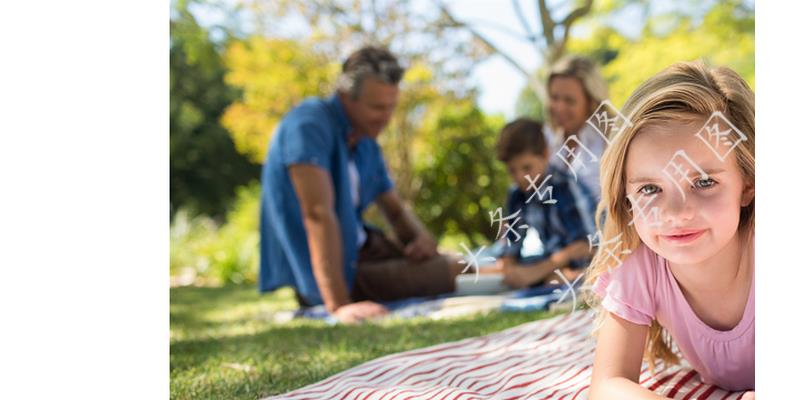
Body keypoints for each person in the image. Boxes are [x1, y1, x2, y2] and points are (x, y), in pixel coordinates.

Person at [585, 61, 755, 398]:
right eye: (650, 189)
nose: (676, 214)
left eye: (704, 182)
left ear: (747, 184)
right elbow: (607, 386)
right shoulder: (640, 265)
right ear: (627, 196)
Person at [259, 46, 462, 324]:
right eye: (377, 107)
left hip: (368, 250)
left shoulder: (366, 143)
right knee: (456, 271)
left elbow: (396, 211)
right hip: (337, 272)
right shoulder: (309, 125)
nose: (386, 117)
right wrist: (339, 305)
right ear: (346, 97)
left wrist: (421, 241)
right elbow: (317, 212)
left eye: (391, 106)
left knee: (454, 264)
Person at [491, 117, 597, 289]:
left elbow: (588, 247)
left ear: (546, 154)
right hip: (553, 263)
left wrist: (536, 271)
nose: (519, 178)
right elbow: (510, 246)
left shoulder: (566, 188)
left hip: (589, 264)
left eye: (526, 168)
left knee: (557, 279)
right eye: (512, 171)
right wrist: (509, 267)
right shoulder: (517, 195)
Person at [545, 55, 611, 201]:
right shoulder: (544, 139)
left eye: (569, 101)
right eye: (554, 97)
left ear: (591, 102)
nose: (559, 107)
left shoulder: (610, 139)